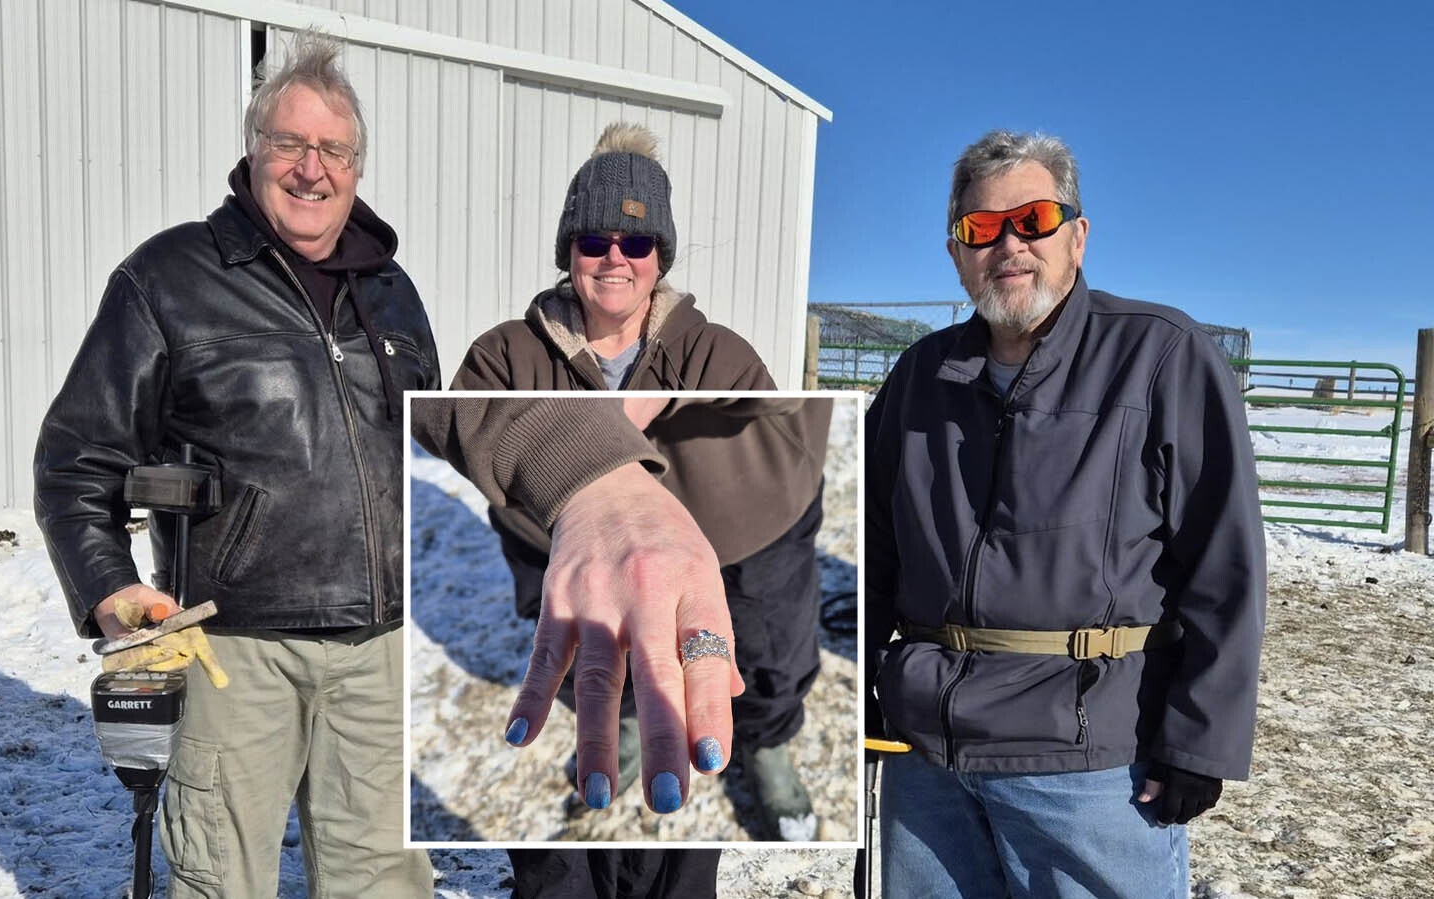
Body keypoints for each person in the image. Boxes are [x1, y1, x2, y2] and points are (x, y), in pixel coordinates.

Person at [34, 32, 437, 897]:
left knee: (385, 880)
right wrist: (109, 586)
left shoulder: (391, 290)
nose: (310, 168)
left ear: (356, 167)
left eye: (332, 148)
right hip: (232, 646)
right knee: (221, 876)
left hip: (380, 649)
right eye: (288, 143)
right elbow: (77, 458)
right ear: (253, 152)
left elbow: (423, 448)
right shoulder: (171, 277)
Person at [864, 130, 1266, 897]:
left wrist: (1200, 741)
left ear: (1077, 237)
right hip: (926, 761)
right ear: (956, 252)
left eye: (1034, 219)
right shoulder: (920, 375)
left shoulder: (1159, 355)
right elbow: (875, 548)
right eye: (980, 228)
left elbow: (1225, 564)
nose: (1009, 243)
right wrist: (851, 694)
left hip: (1088, 764)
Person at [449, 122, 831, 893]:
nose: (616, 258)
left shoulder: (713, 344)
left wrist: (674, 396)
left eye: (639, 242)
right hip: (567, 532)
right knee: (590, 635)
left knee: (765, 644)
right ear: (568, 251)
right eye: (595, 241)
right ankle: (623, 718)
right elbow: (459, 417)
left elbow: (788, 410)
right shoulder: (507, 352)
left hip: (742, 525)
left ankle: (765, 743)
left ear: (661, 258)